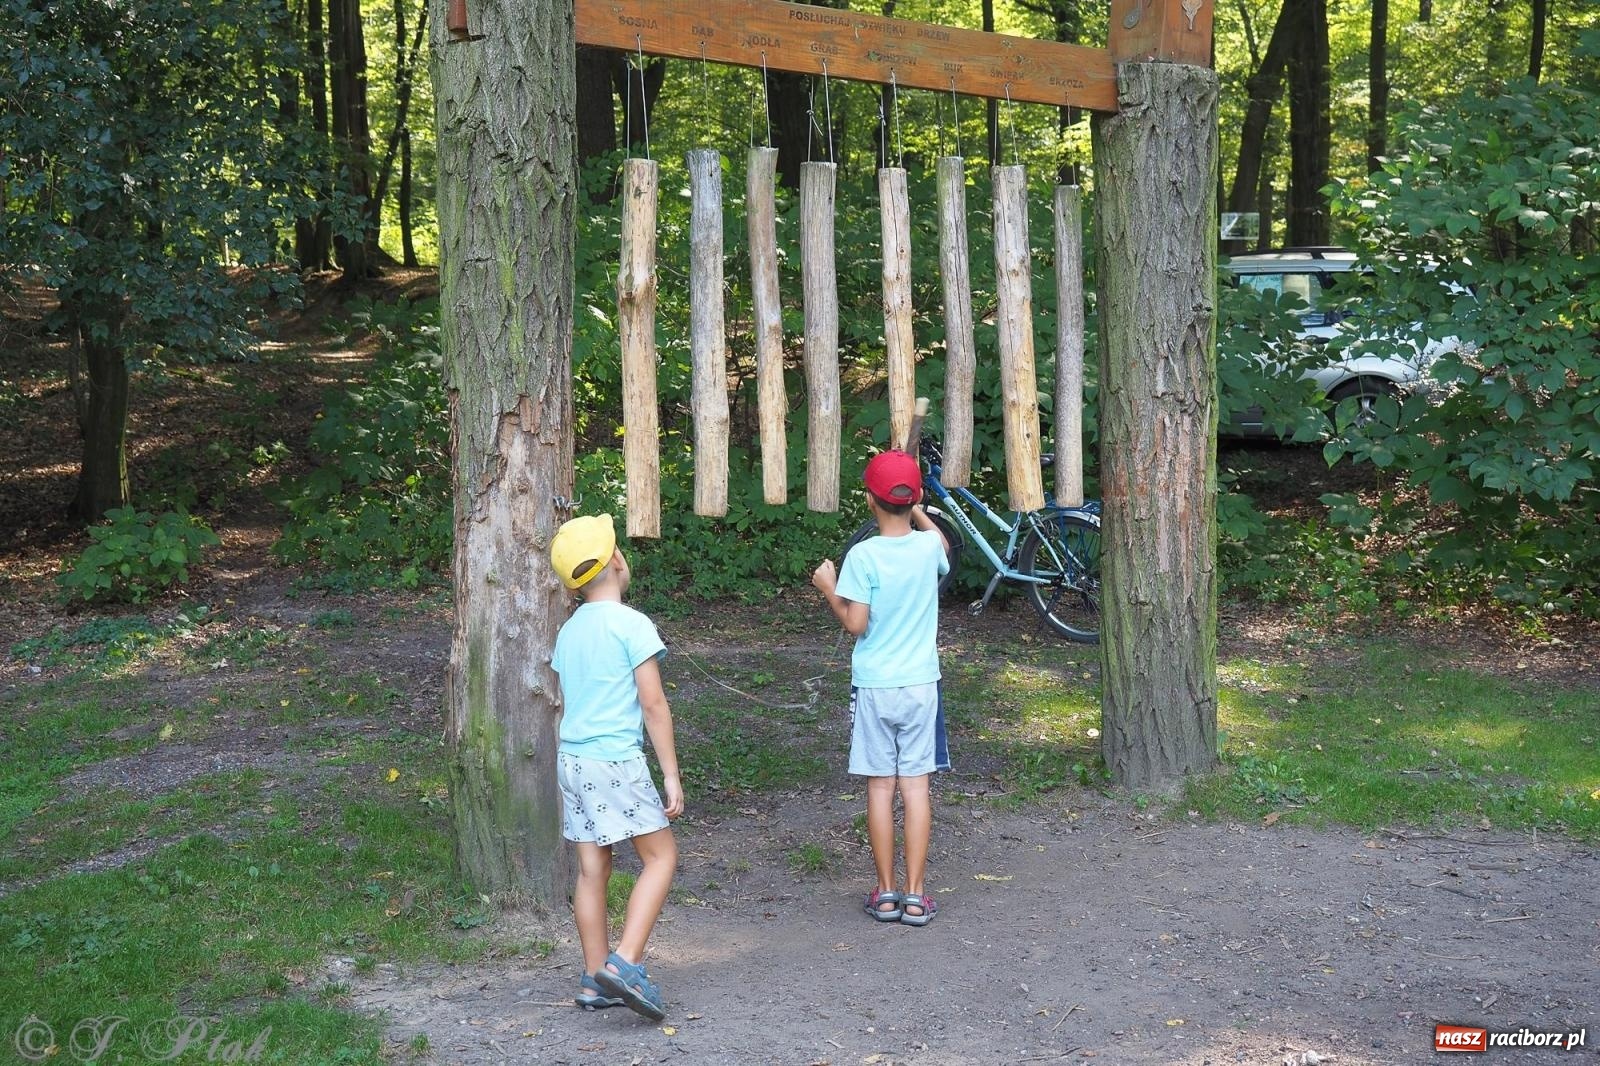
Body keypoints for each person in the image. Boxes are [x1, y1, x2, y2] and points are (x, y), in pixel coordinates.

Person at [549, 513, 683, 1020]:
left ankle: (593, 977)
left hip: (573, 760)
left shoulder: (569, 632)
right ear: (616, 561)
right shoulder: (632, 625)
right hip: (614, 761)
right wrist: (669, 771)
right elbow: (653, 705)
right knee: (660, 858)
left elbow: (567, 699)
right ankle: (625, 962)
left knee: (591, 869)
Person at [811, 450, 950, 927]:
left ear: (870, 500)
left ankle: (886, 893)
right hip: (920, 687)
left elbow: (856, 623)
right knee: (915, 787)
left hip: (875, 687)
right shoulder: (927, 549)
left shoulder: (863, 556)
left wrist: (829, 587)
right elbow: (943, 544)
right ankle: (916, 895)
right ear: (915, 500)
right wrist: (915, 507)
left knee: (879, 787)